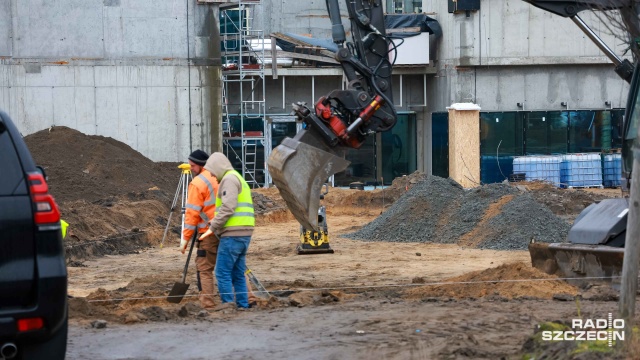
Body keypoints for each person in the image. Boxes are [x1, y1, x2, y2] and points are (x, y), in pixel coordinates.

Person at [199, 152, 254, 310]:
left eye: (213, 173)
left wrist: (213, 226)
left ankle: (228, 306)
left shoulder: (229, 179)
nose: (213, 177)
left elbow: (228, 207)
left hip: (233, 235)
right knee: (237, 273)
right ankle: (243, 305)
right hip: (244, 233)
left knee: (222, 272)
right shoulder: (238, 177)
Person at [180, 149, 220, 310]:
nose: (190, 169)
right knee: (233, 267)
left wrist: (185, 238)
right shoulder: (218, 177)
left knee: (204, 268)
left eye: (192, 166)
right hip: (225, 229)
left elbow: (191, 214)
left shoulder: (197, 183)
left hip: (208, 232)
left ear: (201, 165)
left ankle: (207, 305)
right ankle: (247, 299)